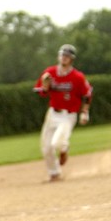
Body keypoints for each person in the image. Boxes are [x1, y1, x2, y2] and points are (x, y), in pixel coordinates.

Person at [33, 44, 93, 181]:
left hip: (68, 115)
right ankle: (54, 173)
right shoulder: (50, 73)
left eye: (67, 56)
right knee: (46, 147)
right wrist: (45, 87)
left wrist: (85, 112)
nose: (64, 58)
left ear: (72, 59)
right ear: (58, 56)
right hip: (53, 113)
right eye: (62, 55)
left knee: (57, 143)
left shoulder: (77, 77)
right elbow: (40, 91)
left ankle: (64, 149)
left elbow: (87, 93)